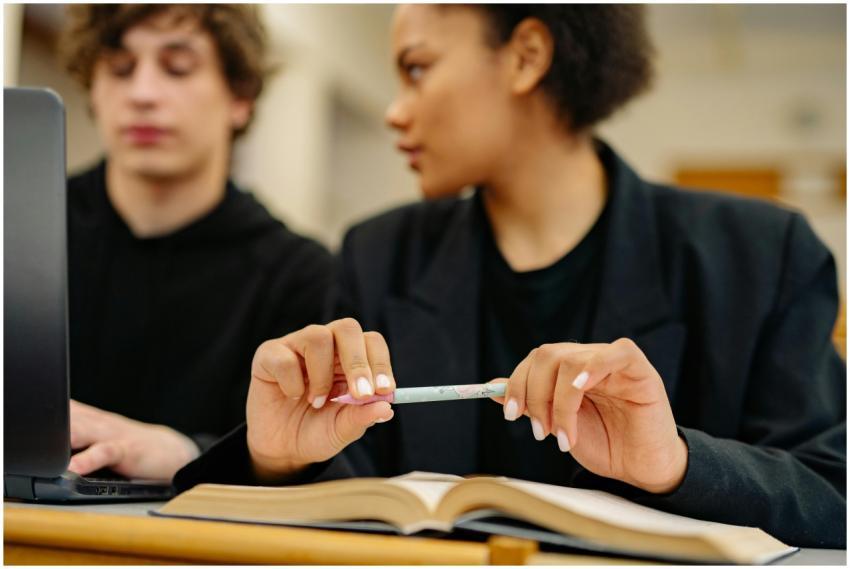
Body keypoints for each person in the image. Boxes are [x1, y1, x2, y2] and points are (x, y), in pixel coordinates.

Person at [174, 5, 845, 547]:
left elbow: (833, 496)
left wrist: (677, 462)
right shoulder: (378, 253)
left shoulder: (761, 254)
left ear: (526, 56)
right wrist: (277, 460)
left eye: (417, 69)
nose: (393, 110)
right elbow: (351, 505)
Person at [59, 4, 332, 480]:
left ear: (239, 98)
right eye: (120, 69)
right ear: (94, 92)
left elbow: (302, 466)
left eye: (177, 67)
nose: (142, 93)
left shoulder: (298, 273)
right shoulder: (21, 226)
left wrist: (187, 453)